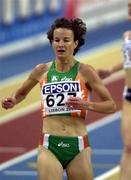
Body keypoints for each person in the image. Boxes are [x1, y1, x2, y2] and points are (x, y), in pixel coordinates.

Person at [1, 17, 116, 180]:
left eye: (66, 40)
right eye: (56, 40)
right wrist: (12, 100)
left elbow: (111, 105)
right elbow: (20, 93)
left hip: (78, 144)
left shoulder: (85, 71)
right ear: (52, 43)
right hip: (50, 144)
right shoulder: (41, 70)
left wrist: (86, 104)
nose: (60, 44)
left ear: (75, 44)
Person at [98, 2, 131, 179]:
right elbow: (128, 62)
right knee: (128, 146)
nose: (130, 7)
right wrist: (111, 70)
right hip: (129, 96)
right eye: (129, 5)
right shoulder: (126, 36)